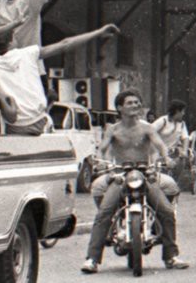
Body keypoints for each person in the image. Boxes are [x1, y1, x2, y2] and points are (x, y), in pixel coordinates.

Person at [81, 88, 188, 273]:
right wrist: (101, 163)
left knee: (167, 211)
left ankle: (171, 256)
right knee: (104, 213)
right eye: (130, 103)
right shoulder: (112, 129)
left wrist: (166, 158)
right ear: (120, 108)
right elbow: (103, 149)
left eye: (137, 102)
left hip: (145, 173)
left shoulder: (147, 127)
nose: (135, 105)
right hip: (121, 175)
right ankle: (92, 259)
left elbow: (160, 146)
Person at [0, 22, 118, 136]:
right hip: (38, 121)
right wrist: (98, 32)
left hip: (13, 126)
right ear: (11, 42)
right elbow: (65, 44)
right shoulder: (28, 53)